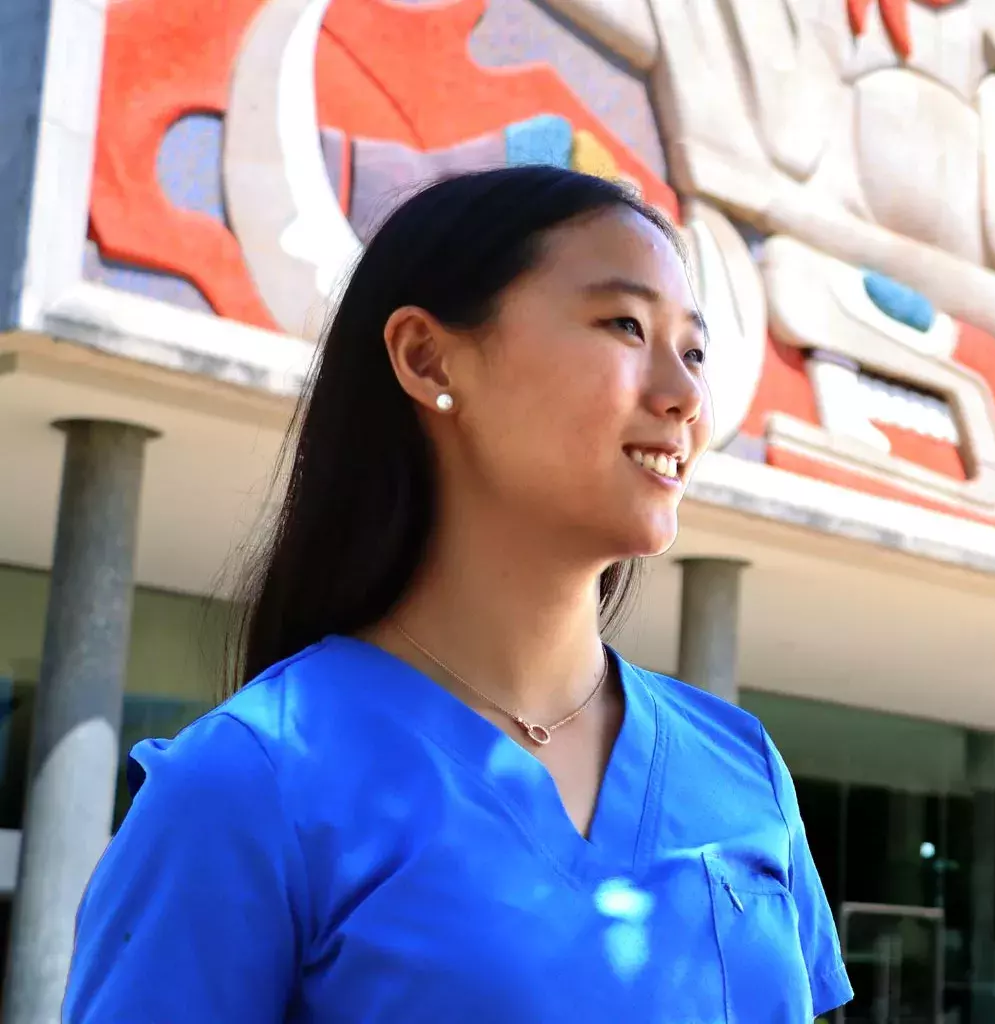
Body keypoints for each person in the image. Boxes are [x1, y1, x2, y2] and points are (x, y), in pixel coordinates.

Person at [64, 166, 853, 1020]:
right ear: (427, 356)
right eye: (625, 325)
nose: (686, 397)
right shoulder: (250, 783)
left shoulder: (743, 769)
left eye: (694, 351)